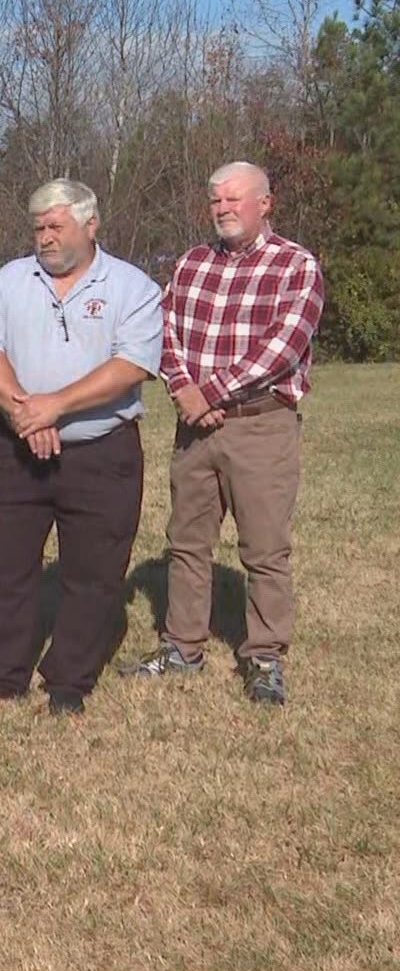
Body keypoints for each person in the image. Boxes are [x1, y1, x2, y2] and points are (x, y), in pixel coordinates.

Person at [0, 180, 162, 716]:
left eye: (56, 226)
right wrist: (26, 410)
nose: (45, 238)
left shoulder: (131, 287)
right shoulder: (8, 281)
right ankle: (0, 678)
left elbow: (133, 365)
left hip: (103, 453)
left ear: (90, 225)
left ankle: (68, 683)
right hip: (22, 453)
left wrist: (57, 406)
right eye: (38, 228)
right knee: (6, 565)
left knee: (93, 574)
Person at [125, 162, 324, 705]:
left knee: (264, 549)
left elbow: (284, 347)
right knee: (186, 543)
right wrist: (184, 389)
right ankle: (181, 646)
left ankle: (264, 656)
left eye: (235, 199)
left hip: (260, 425)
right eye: (216, 200)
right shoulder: (190, 264)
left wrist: (209, 392)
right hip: (195, 429)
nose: (223, 209)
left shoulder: (295, 266)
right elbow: (162, 332)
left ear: (265, 203)